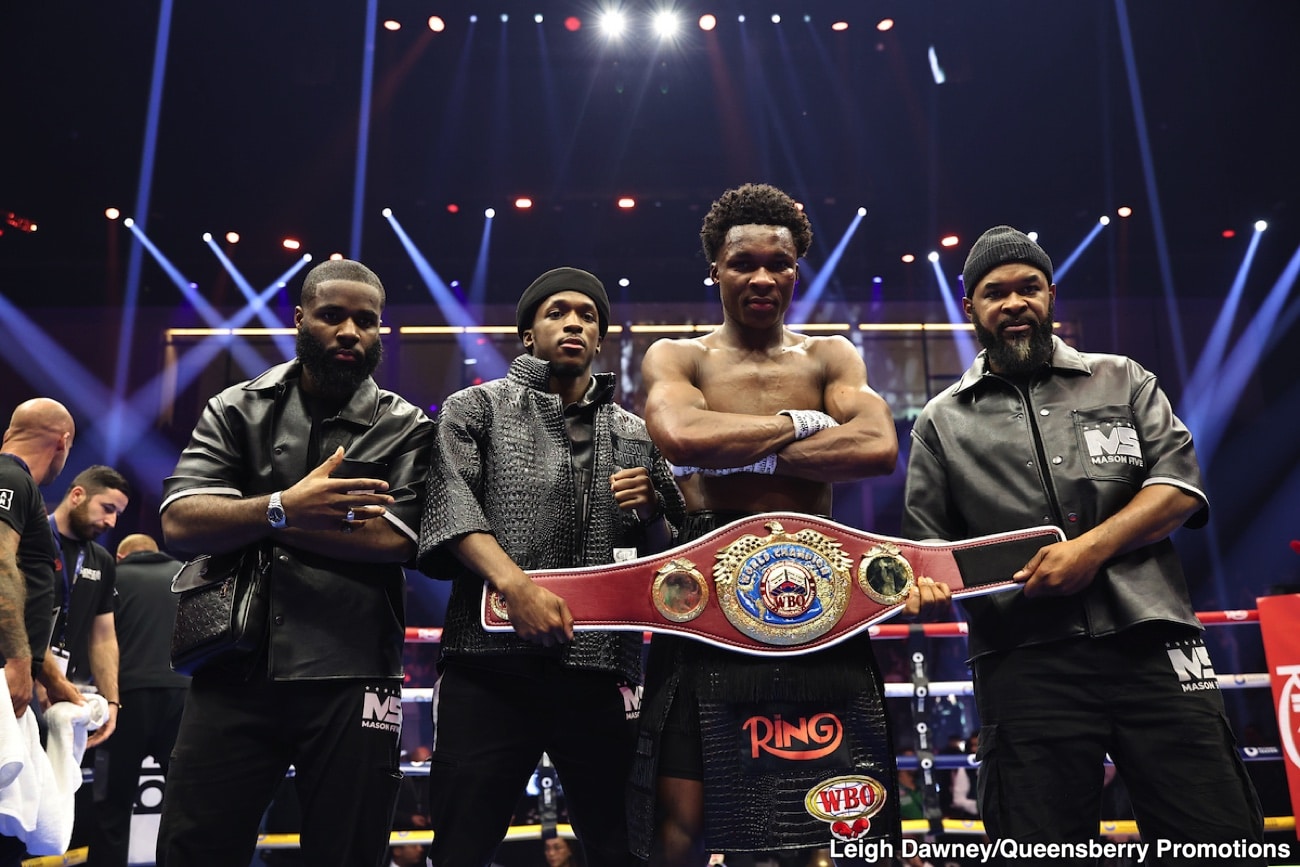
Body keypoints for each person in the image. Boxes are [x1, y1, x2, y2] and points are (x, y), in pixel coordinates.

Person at [901, 225, 1264, 861]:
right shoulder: (941, 420)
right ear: (971, 309)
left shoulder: (1122, 379)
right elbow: (925, 550)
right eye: (994, 293)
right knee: (1040, 847)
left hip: (1153, 641)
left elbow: (1179, 488)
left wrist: (1088, 550)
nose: (1013, 303)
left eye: (1028, 288)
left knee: (1216, 836)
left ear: (1050, 295)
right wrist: (921, 587)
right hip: (1024, 659)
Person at [629, 183, 949, 865]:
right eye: (744, 262)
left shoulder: (829, 355)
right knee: (680, 816)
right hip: (704, 598)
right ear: (715, 266)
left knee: (835, 813)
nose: (764, 277)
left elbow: (876, 447)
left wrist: (734, 442)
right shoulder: (677, 357)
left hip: (818, 597)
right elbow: (681, 434)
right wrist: (802, 425)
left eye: (780, 263)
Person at [154, 258, 434, 867]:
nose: (350, 332)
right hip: (234, 668)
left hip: (355, 669)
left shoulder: (406, 426)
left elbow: (399, 540)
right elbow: (179, 521)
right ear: (301, 318)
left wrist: (260, 520)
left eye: (366, 321)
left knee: (349, 854)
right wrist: (286, 506)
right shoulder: (237, 407)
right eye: (333, 316)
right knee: (192, 849)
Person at [416, 266, 686, 867]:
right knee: (462, 847)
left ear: (599, 338)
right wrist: (516, 588)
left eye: (588, 316)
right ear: (527, 333)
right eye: (557, 312)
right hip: (488, 668)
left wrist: (651, 514)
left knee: (622, 847)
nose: (574, 323)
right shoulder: (474, 409)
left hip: (599, 673)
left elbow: (673, 561)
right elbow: (448, 503)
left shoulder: (635, 433)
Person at [0, 397, 83, 867]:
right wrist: (16, 662)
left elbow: (26, 598)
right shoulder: (11, 477)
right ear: (63, 442)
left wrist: (50, 678)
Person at [79, 533, 187, 867]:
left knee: (112, 803)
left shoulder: (113, 577)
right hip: (182, 699)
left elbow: (92, 638)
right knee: (184, 803)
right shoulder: (186, 575)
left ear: (121, 557)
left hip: (124, 701)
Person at [48, 464, 129, 749]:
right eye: (107, 508)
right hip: (12, 681)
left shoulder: (102, 560)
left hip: (64, 695)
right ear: (77, 495)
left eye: (117, 514)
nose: (112, 522)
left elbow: (104, 636)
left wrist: (111, 701)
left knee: (59, 789)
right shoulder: (31, 541)